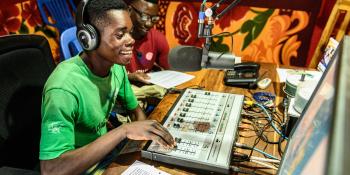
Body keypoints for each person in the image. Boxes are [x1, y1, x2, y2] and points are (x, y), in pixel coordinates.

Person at [39, 0, 175, 174]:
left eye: (130, 32)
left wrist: (145, 145)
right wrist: (124, 130)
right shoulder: (63, 88)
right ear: (89, 39)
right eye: (120, 35)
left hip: (110, 157)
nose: (131, 40)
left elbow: (135, 110)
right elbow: (51, 170)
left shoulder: (117, 68)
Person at [126, 0, 170, 84]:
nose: (149, 24)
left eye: (154, 19)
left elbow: (170, 72)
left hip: (146, 88)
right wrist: (129, 77)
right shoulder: (115, 39)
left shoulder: (157, 38)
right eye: (144, 17)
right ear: (129, 10)